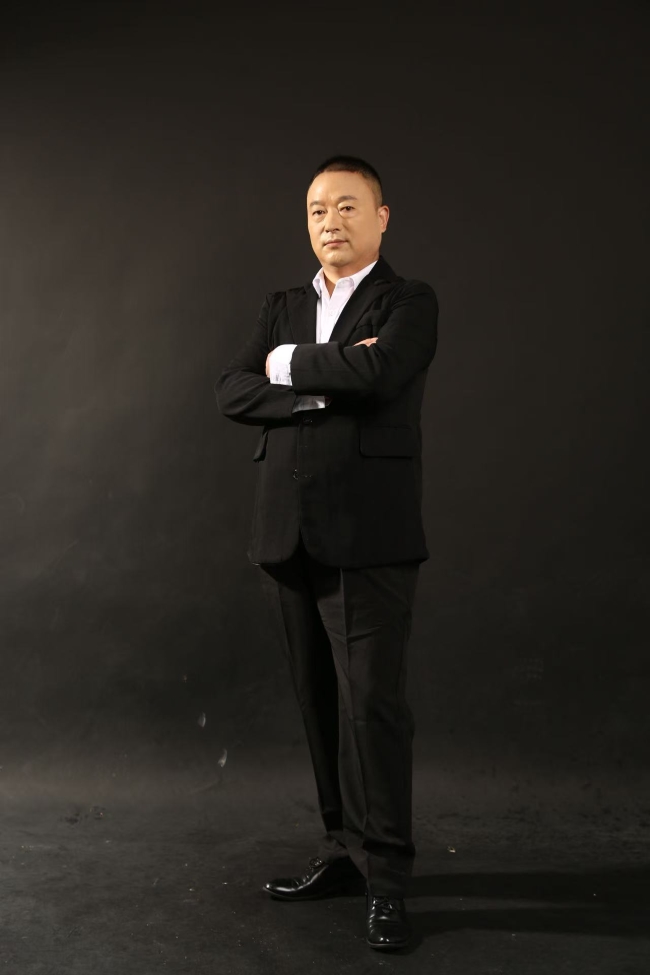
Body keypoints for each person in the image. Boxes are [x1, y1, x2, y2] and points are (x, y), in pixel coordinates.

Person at [215, 155, 438, 951]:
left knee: (372, 706)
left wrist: (284, 367)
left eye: (347, 205)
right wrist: (315, 384)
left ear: (381, 217)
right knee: (318, 703)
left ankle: (389, 879)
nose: (329, 221)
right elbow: (231, 389)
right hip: (288, 531)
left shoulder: (408, 301)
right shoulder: (282, 304)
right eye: (316, 209)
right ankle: (343, 851)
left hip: (369, 536)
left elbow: (380, 370)